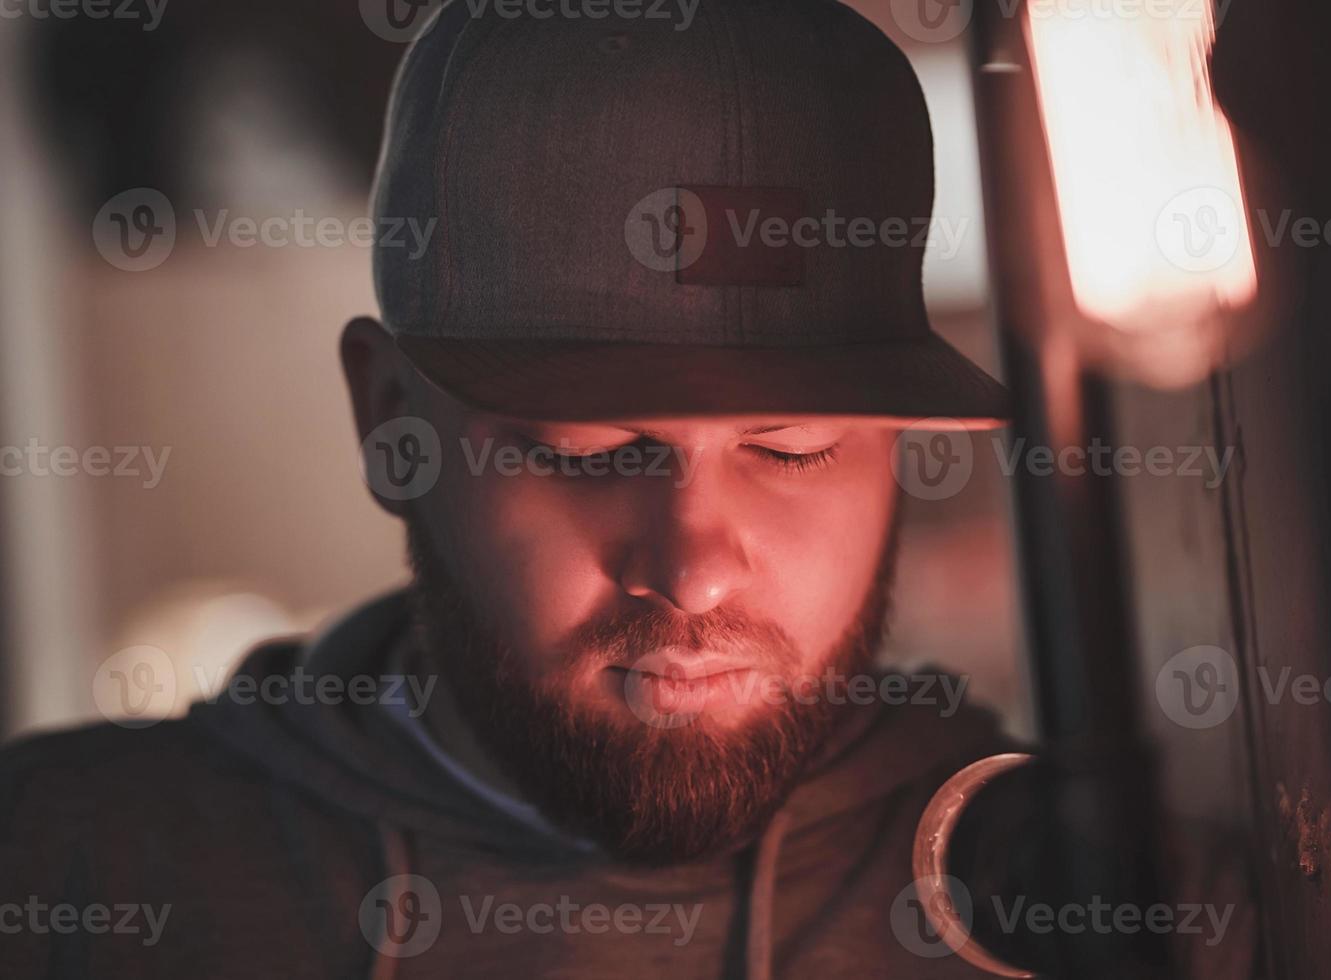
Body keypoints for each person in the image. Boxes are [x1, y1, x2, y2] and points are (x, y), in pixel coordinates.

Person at [0, 1, 1017, 976]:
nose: (694, 571)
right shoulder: (66, 875)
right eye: (587, 450)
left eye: (793, 448)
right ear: (392, 420)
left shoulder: (1048, 892)